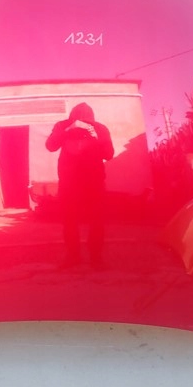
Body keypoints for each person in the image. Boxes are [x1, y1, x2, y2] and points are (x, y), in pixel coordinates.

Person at [45, 102, 114, 266]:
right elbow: (50, 146)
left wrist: (95, 136)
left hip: (94, 181)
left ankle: (95, 257)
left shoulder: (99, 128)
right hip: (69, 182)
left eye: (87, 121)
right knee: (69, 219)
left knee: (96, 220)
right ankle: (73, 256)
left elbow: (109, 154)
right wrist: (68, 130)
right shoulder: (63, 125)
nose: (83, 123)